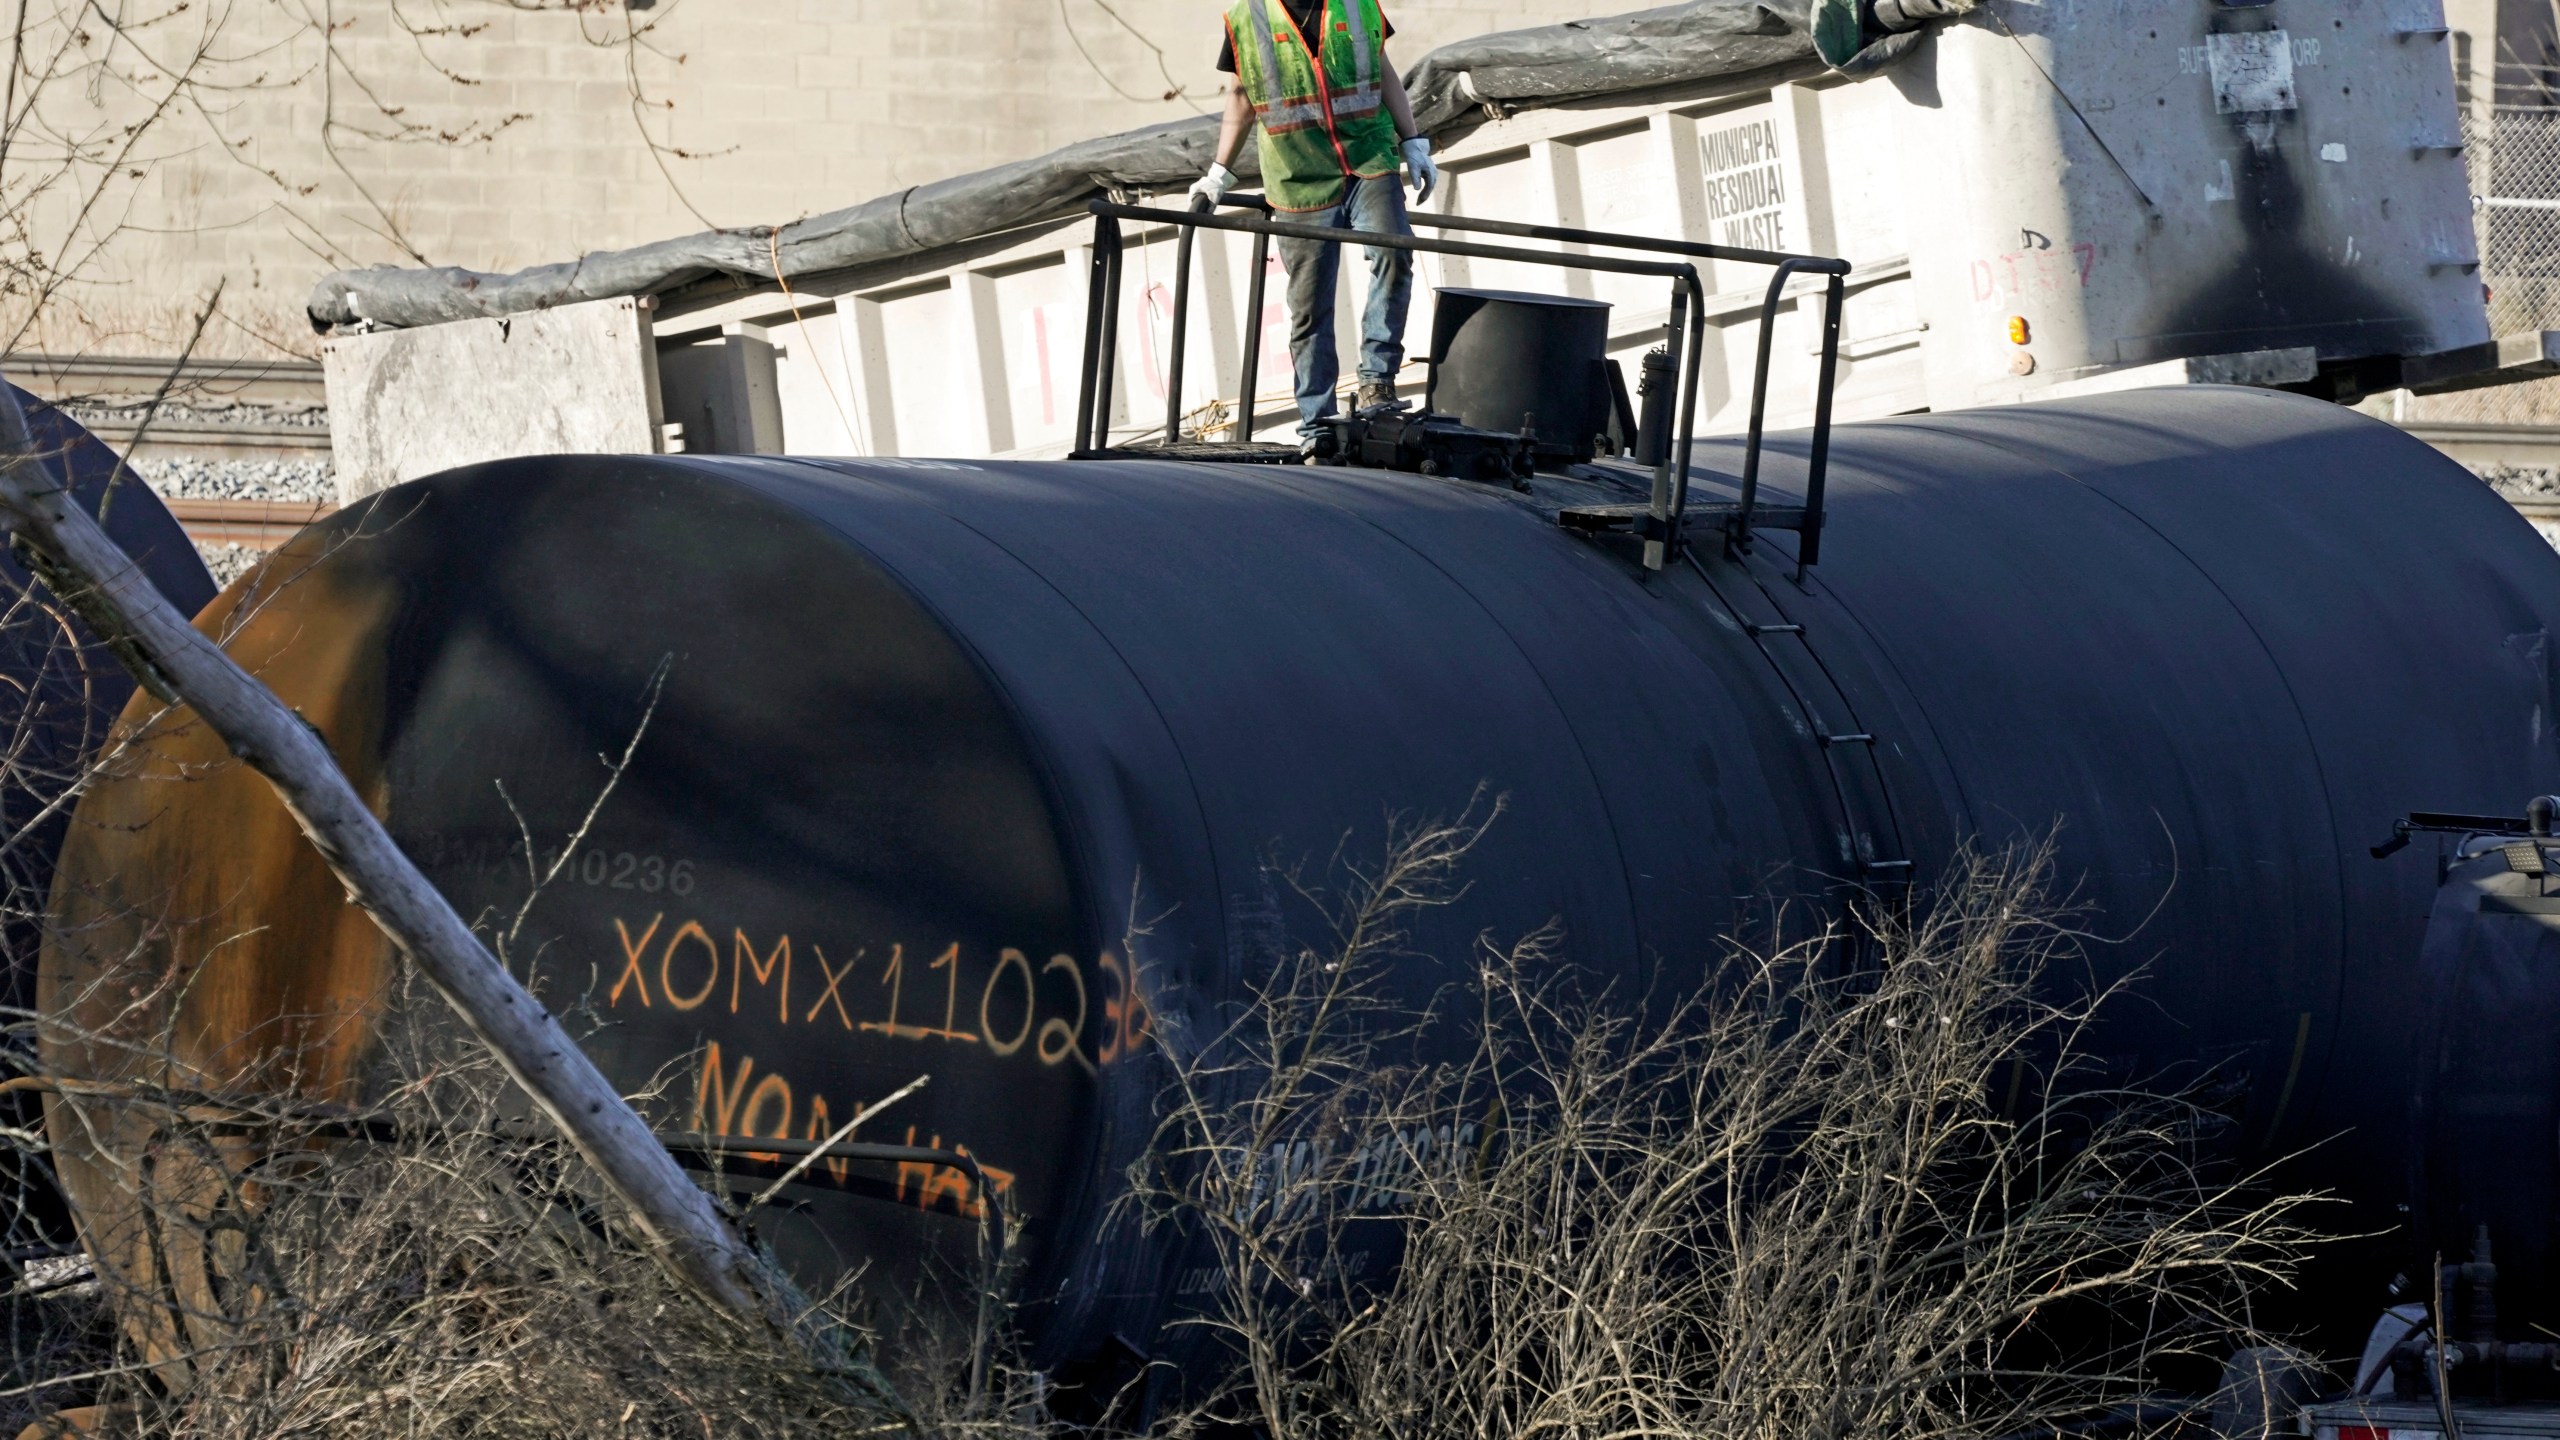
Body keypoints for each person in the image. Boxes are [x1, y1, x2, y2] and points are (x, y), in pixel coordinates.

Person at [1190, 0, 1438, 446]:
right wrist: (1219, 172)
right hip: (1299, 177)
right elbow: (1242, 95)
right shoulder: (1247, 20)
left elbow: (1381, 71)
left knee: (1394, 251)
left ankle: (1376, 378)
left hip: (1368, 158)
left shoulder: (1358, 6)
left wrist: (1412, 140)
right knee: (1309, 309)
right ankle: (1317, 426)